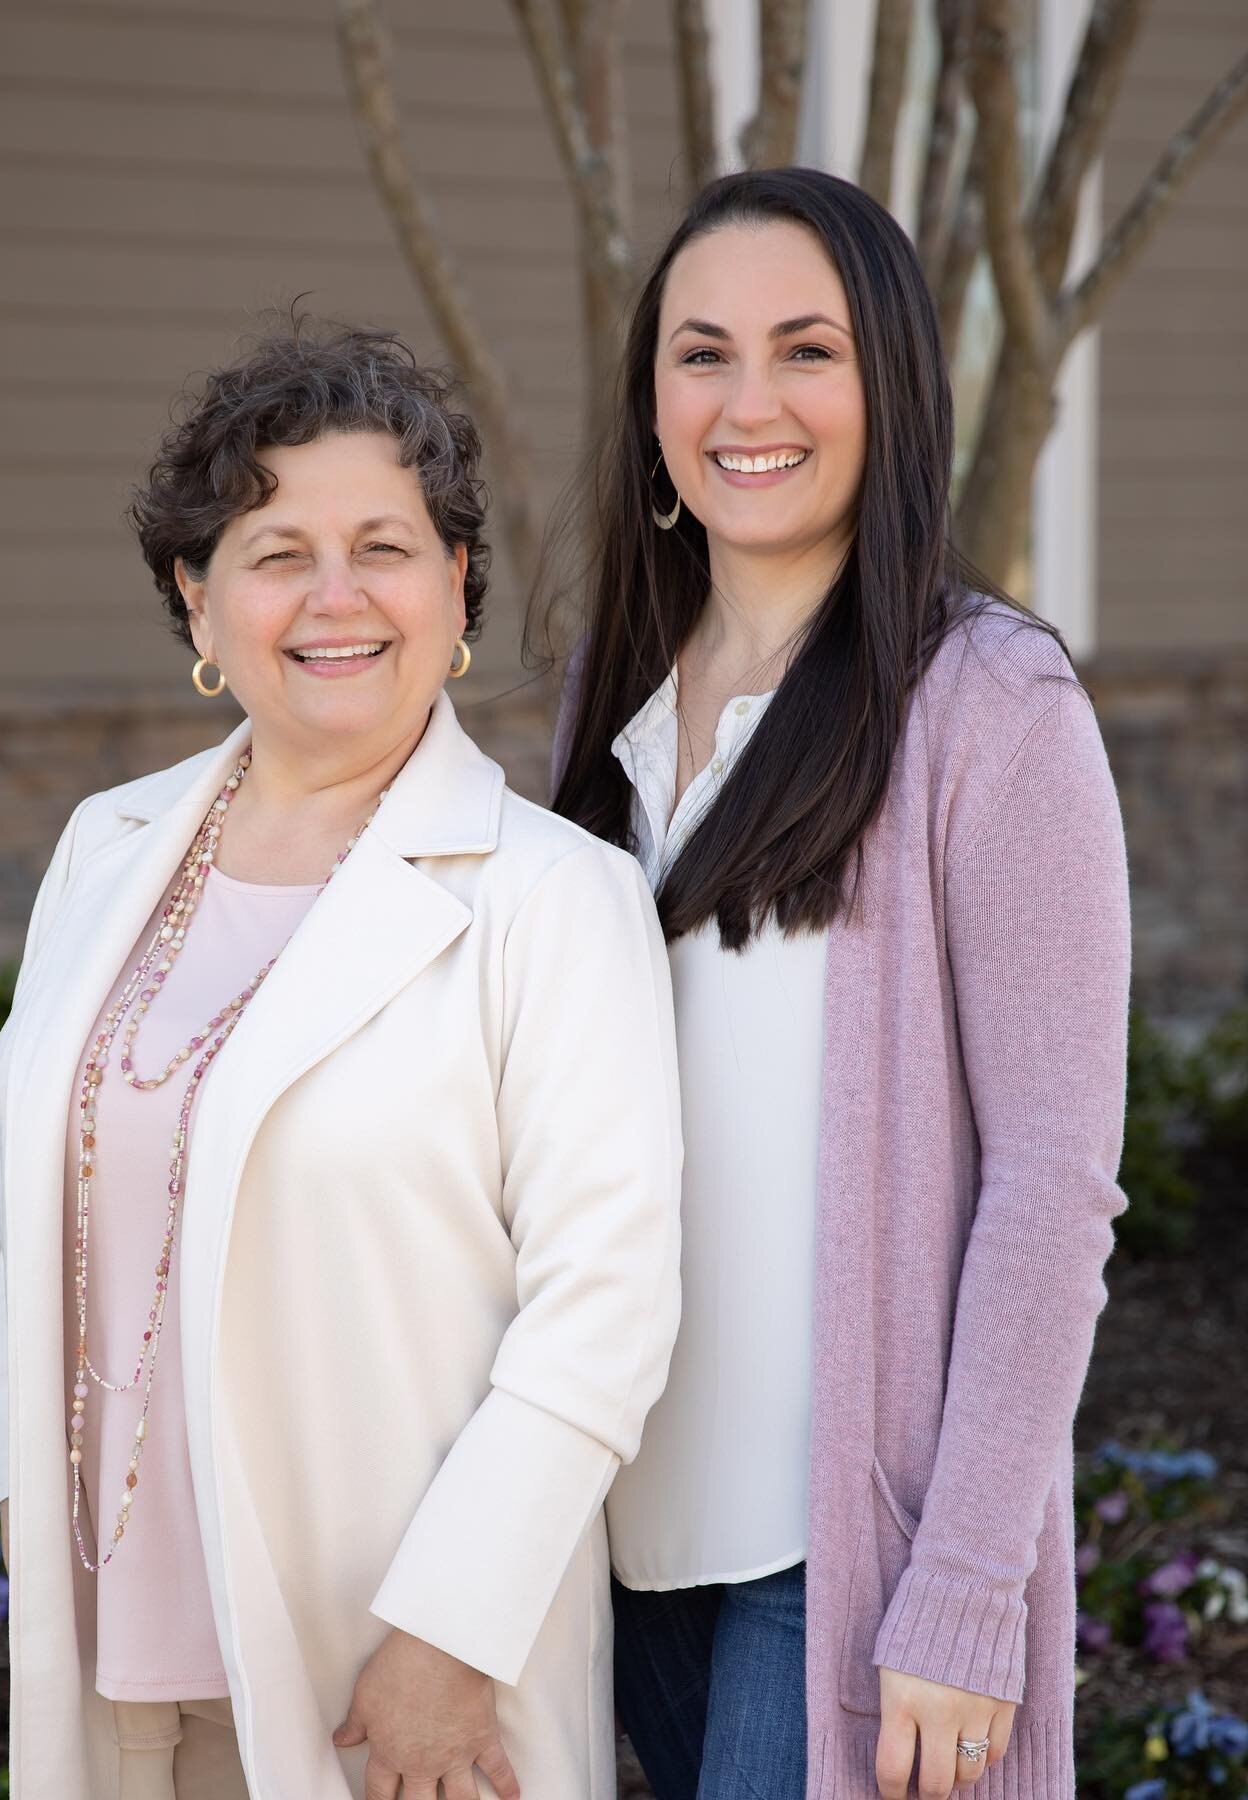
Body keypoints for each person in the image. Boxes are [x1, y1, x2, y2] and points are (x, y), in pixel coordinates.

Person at [0, 324, 682, 1800]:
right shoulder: (104, 851)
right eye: (277, 551)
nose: (338, 596)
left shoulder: (549, 898)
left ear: (457, 584)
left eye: (386, 546)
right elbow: (19, 1221)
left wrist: (450, 1635)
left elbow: (603, 1305)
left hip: (392, 1687)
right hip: (107, 1662)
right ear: (198, 599)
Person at [549, 169, 1131, 1800]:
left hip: (840, 1563)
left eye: (806, 351)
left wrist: (965, 1589)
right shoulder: (614, 721)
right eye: (700, 353)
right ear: (650, 399)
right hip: (617, 1539)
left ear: (891, 384)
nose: (748, 404)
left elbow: (1052, 1189)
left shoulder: (988, 705)